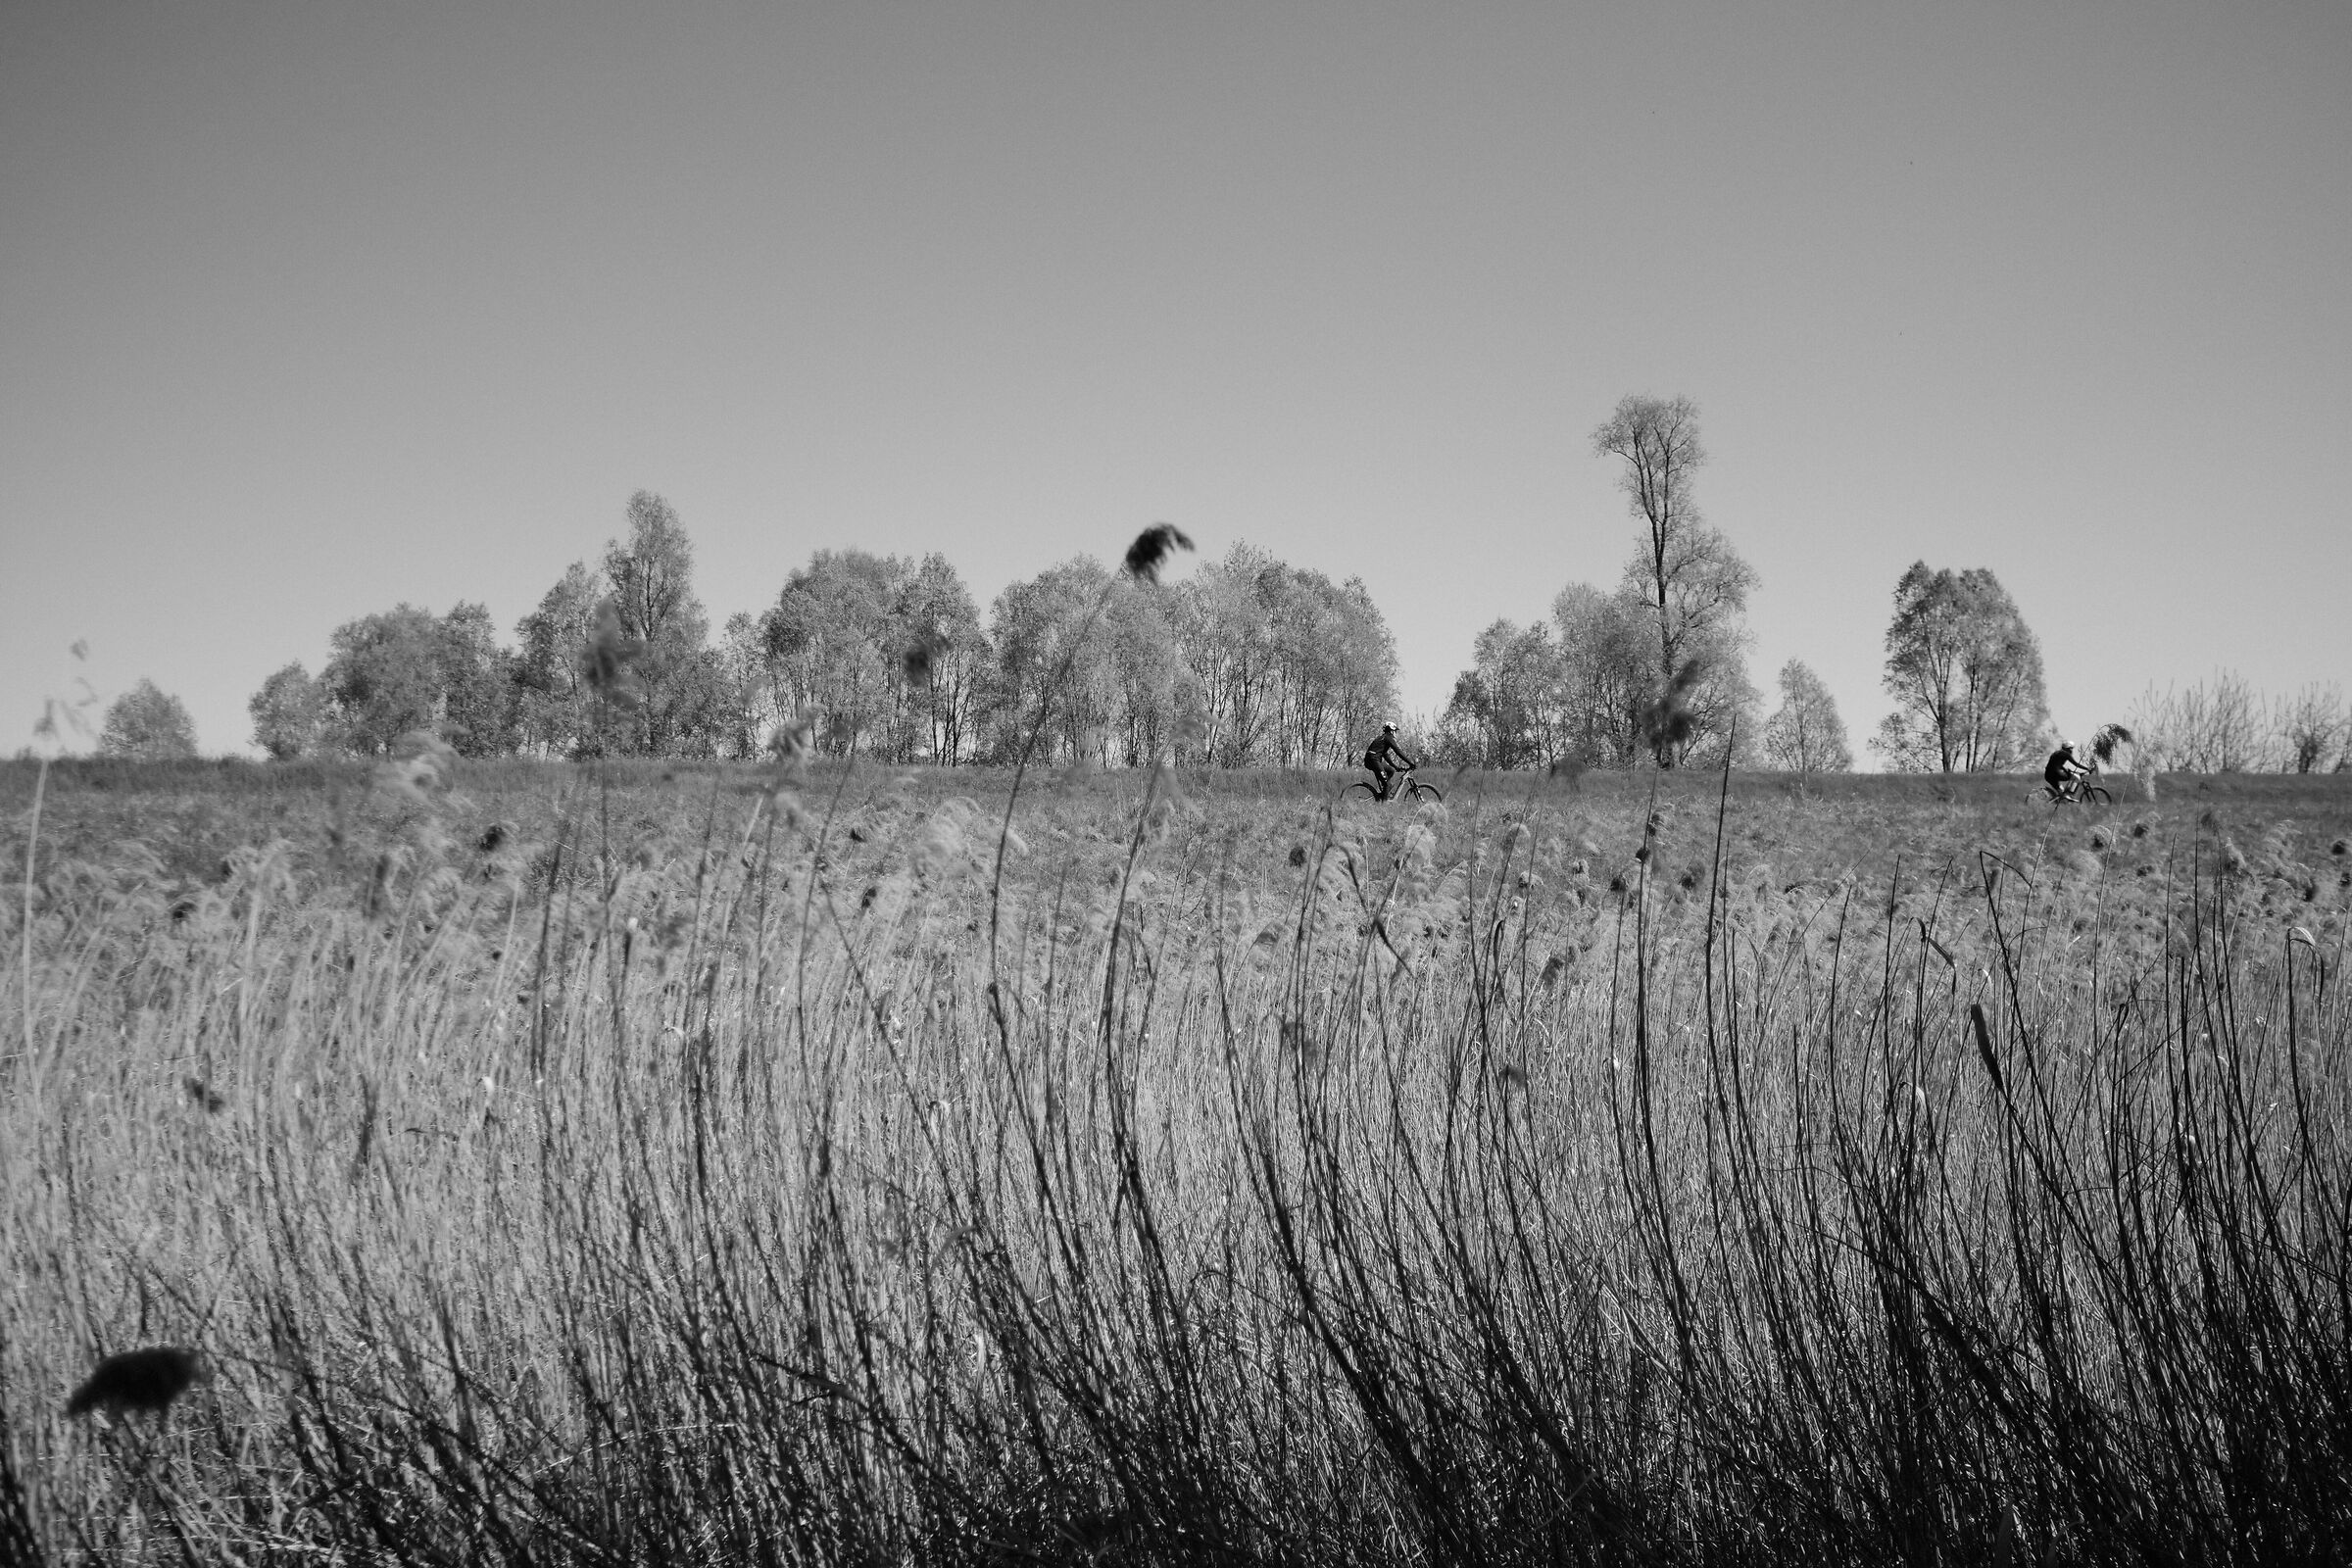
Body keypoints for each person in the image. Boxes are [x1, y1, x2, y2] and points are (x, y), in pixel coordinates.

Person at [1363, 721, 1417, 801]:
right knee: (1388, 784)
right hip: (1373, 760)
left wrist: (1395, 767)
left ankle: (1384, 791)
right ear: (1391, 731)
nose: (1396, 734)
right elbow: (1398, 751)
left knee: (1391, 770)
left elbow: (1386, 755)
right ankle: (1384, 806)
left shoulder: (1383, 738)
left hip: (1372, 760)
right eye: (1396, 731)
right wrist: (1411, 763)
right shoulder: (1388, 738)